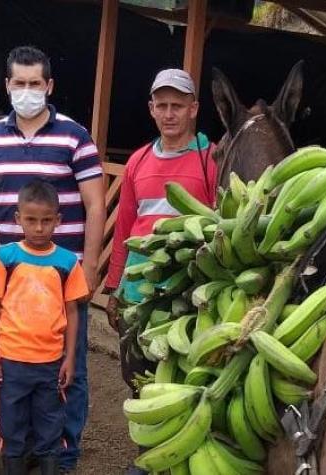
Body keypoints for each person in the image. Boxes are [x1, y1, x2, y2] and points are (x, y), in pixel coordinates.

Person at [0, 46, 104, 471]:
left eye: (34, 83)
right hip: (15, 280)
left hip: (63, 275)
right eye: (18, 83)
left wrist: (89, 268)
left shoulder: (75, 136)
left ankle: (63, 456)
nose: (26, 91)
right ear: (7, 86)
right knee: (16, 369)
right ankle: (19, 452)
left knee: (68, 373)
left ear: (49, 86)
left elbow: (96, 205)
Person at [104, 68, 217, 388]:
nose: (169, 114)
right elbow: (125, 228)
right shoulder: (138, 162)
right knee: (137, 377)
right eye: (162, 105)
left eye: (177, 106)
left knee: (182, 379)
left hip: (188, 291)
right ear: (152, 109)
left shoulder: (211, 160)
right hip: (138, 291)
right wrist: (114, 287)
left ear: (193, 109)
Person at [0, 180, 88, 475]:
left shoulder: (67, 263)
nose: (39, 228)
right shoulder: (5, 258)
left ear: (58, 220)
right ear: (18, 219)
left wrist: (69, 358)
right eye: (31, 220)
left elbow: (73, 312)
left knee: (51, 426)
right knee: (11, 427)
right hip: (11, 362)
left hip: (51, 363)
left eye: (46, 221)